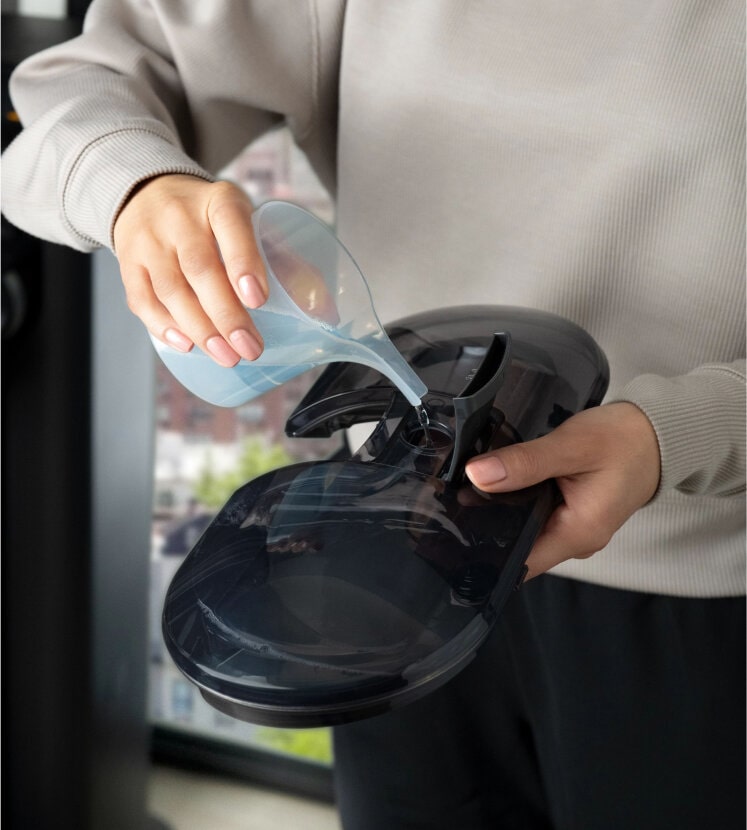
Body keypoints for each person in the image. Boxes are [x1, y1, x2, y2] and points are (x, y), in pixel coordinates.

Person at [3, 2, 744, 828]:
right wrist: (136, 186)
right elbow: (86, 83)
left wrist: (682, 433)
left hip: (698, 597)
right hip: (391, 563)